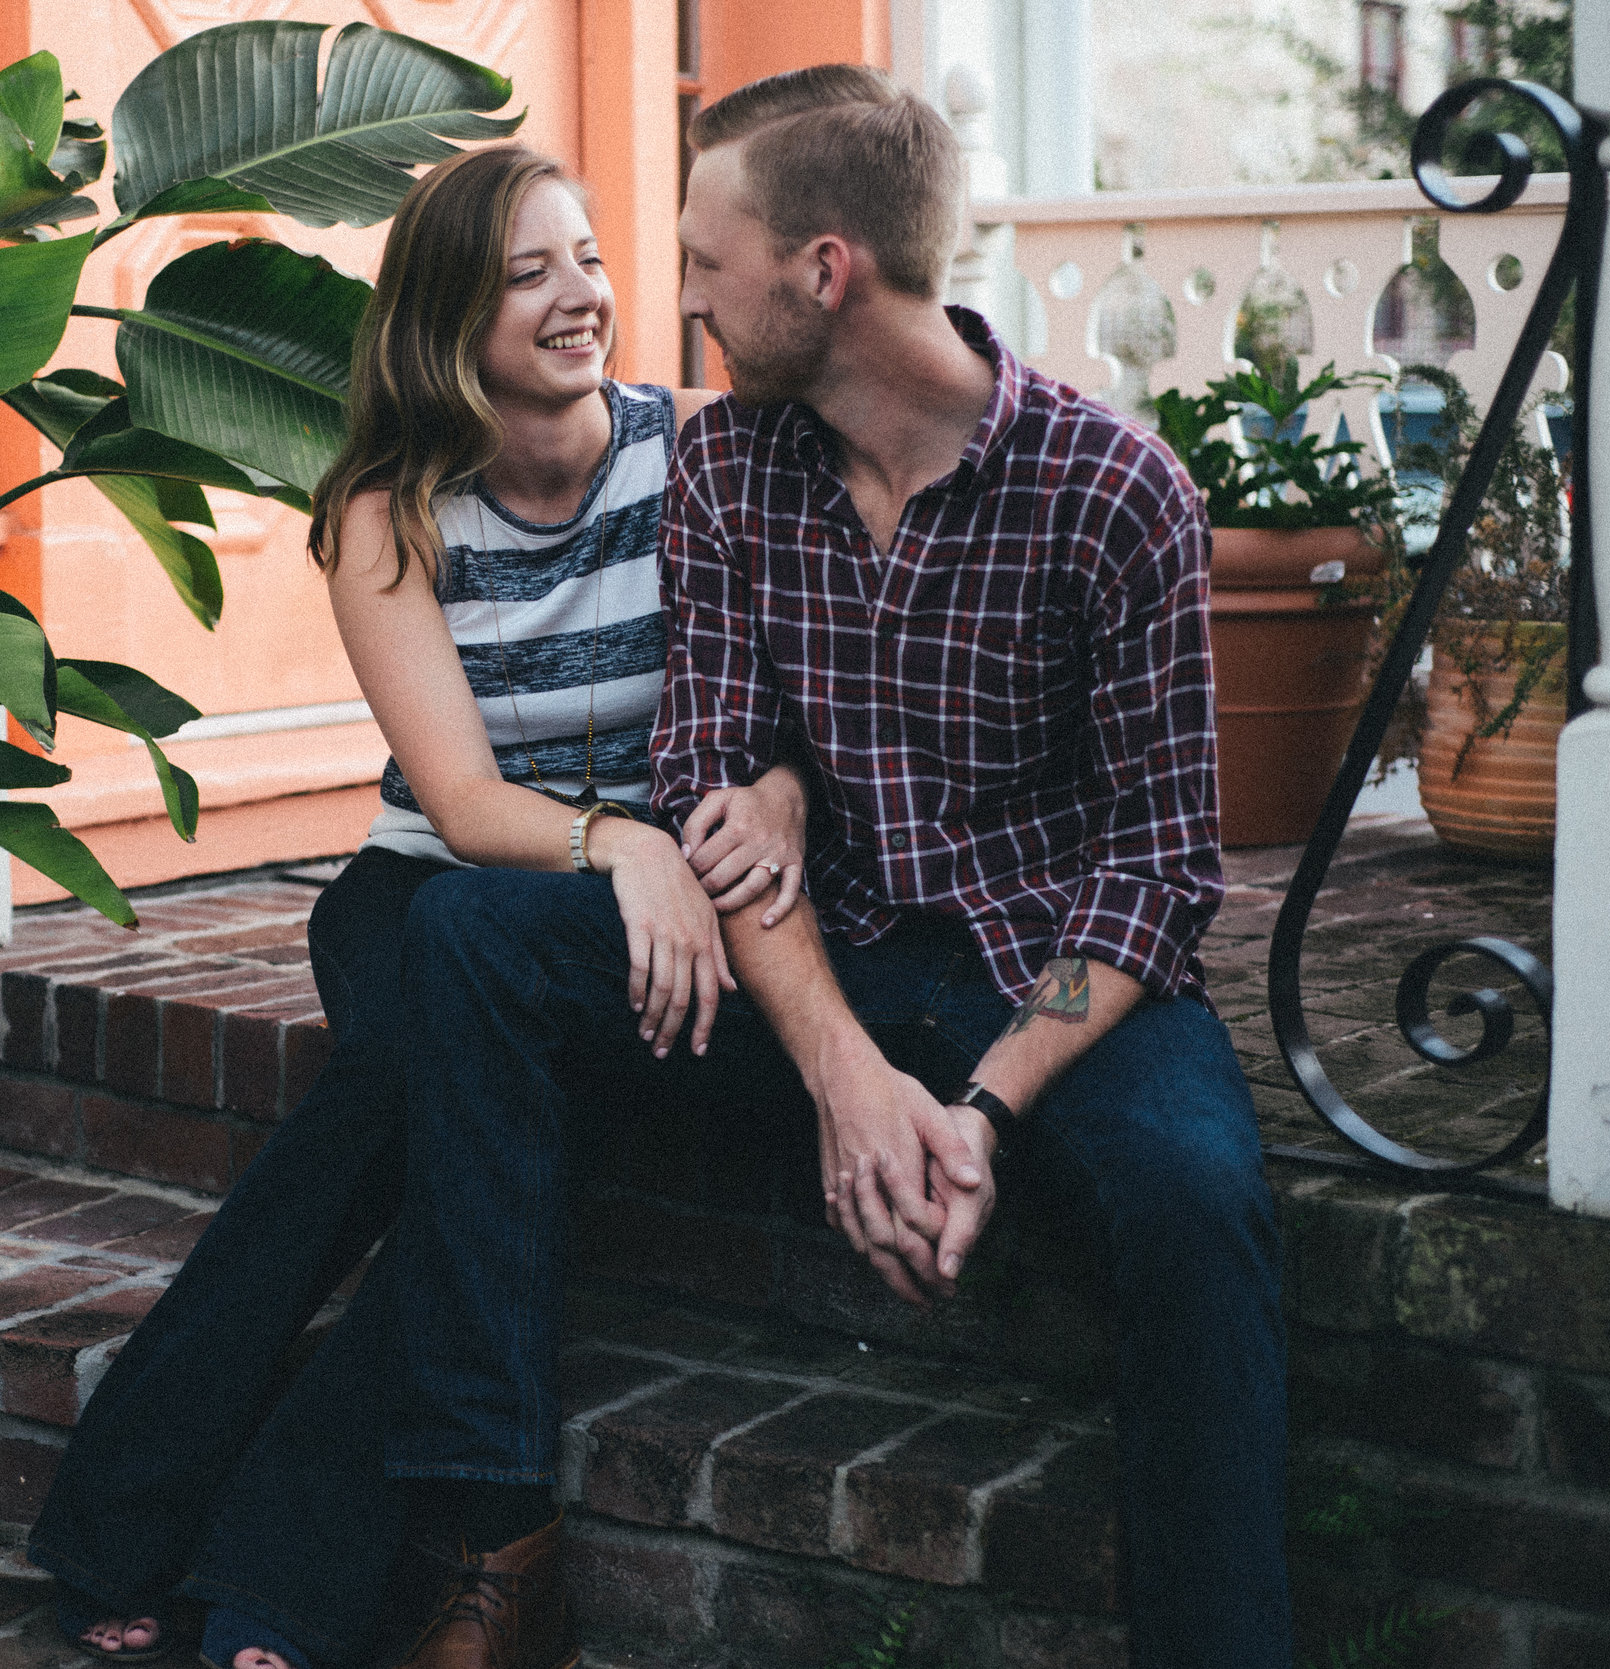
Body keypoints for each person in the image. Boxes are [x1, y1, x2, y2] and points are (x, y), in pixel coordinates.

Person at [382, 67, 1289, 1669]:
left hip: (1053, 983)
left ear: (824, 271)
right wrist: (848, 1077)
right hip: (820, 956)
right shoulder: (733, 471)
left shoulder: (1117, 492)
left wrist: (982, 1108)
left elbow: (1156, 872)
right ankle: (490, 1538)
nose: (681, 303)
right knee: (466, 934)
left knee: (1196, 1196)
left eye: (706, 263)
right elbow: (708, 790)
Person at [26, 145, 810, 1669]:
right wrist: (624, 846)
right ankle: (196, 1550)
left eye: (586, 255)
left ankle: (201, 1557)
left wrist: (763, 793)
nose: (579, 294)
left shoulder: (704, 455)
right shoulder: (394, 510)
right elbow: (458, 805)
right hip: (427, 896)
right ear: (451, 317)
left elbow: (796, 684)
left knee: (468, 1173)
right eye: (528, 273)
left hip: (594, 930)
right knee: (414, 1125)